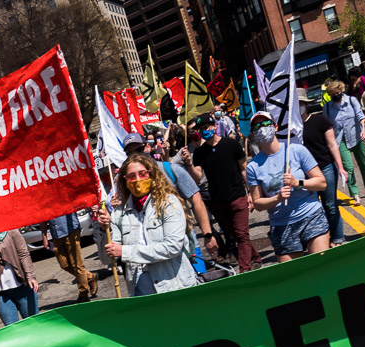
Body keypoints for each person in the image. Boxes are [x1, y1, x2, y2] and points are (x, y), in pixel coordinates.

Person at [97, 153, 198, 295]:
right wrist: (103, 229)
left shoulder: (168, 203)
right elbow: (107, 258)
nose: (137, 180)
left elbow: (172, 247)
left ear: (151, 175)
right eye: (131, 176)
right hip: (141, 293)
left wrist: (125, 252)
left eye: (142, 174)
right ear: (125, 181)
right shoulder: (119, 213)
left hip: (175, 288)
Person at [246, 111, 329, 261]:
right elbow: (257, 203)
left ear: (275, 127)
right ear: (253, 133)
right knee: (295, 277)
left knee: (321, 264)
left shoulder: (296, 150)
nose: (262, 128)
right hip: (282, 225)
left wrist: (298, 183)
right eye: (256, 126)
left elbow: (322, 183)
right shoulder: (252, 166)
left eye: (265, 123)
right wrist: (277, 198)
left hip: (311, 216)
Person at [188, 113, 262, 272]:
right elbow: (198, 177)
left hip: (238, 196)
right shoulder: (200, 153)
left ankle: (245, 269)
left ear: (214, 126)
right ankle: (255, 258)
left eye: (206, 127)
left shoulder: (231, 144)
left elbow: (244, 169)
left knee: (242, 235)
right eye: (200, 129)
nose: (203, 131)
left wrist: (251, 193)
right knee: (236, 235)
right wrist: (189, 164)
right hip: (218, 202)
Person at [125, 132, 219, 256]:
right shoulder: (128, 183)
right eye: (131, 153)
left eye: (139, 150)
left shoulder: (170, 170)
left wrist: (207, 234)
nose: (136, 155)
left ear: (148, 147)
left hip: (185, 246)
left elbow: (197, 200)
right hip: (153, 252)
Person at [298, 88, 347, 247]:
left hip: (325, 168)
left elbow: (332, 145)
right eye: (295, 104)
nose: (299, 107)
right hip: (305, 173)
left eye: (301, 103)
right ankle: (319, 239)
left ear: (306, 104)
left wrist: (340, 167)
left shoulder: (320, 121)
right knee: (312, 209)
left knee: (330, 205)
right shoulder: (291, 128)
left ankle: (337, 237)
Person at [323, 80, 365, 205]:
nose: (336, 95)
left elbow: (360, 116)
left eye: (338, 93)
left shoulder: (351, 101)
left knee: (363, 163)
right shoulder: (327, 107)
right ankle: (355, 194)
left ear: (342, 91)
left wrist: (363, 130)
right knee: (348, 167)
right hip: (339, 139)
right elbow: (325, 125)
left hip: (356, 135)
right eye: (333, 94)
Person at [0, 230, 39, 326]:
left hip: (23, 287)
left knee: (33, 324)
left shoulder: (12, 232)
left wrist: (31, 276)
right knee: (12, 330)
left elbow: (24, 255)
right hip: (1, 293)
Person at [40, 212, 97, 302]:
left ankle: (83, 294)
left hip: (71, 230)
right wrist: (44, 237)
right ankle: (89, 277)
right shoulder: (43, 201)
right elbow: (43, 219)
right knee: (64, 264)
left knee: (77, 264)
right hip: (56, 234)